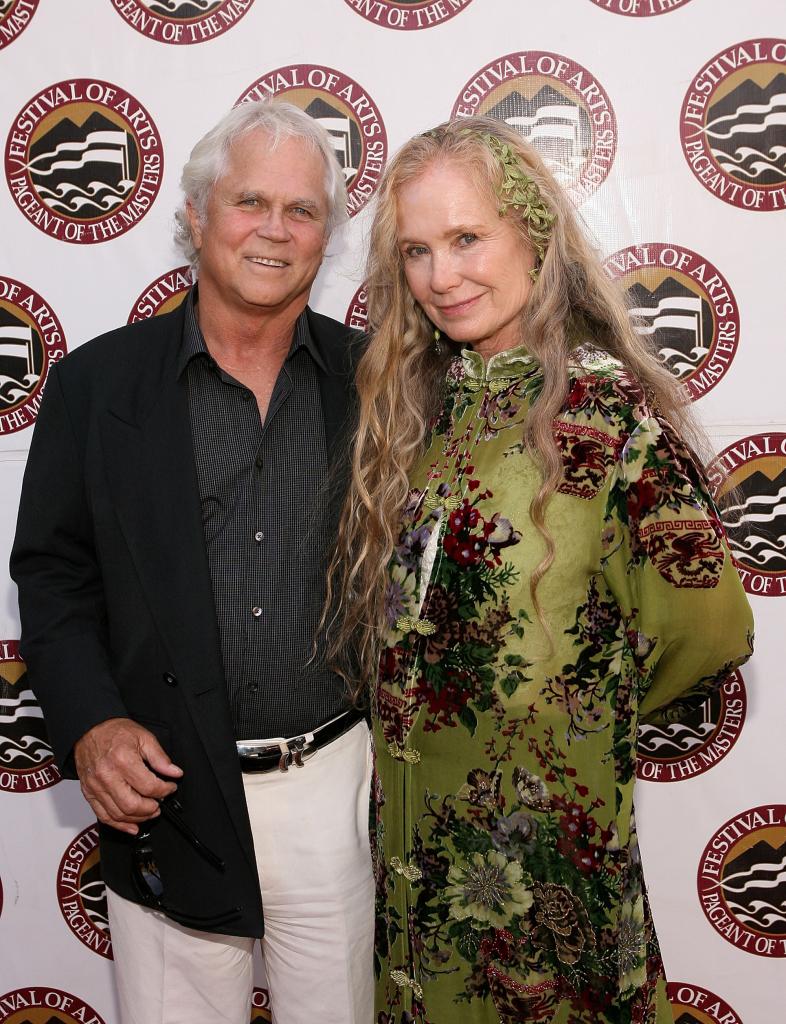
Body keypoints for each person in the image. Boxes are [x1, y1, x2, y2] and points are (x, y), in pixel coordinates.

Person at [327, 117, 754, 1023]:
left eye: (468, 238)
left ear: (534, 235)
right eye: (417, 250)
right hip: (417, 843)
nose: (442, 278)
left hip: (546, 847)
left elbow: (712, 627)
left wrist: (565, 717)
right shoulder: (425, 413)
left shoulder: (606, 416)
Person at [10, 101, 373, 1024]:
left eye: (301, 210)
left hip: (338, 795)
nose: (274, 230)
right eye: (250, 200)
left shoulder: (378, 383)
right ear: (198, 216)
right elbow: (53, 572)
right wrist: (91, 723)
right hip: (167, 794)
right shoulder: (95, 384)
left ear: (325, 236)